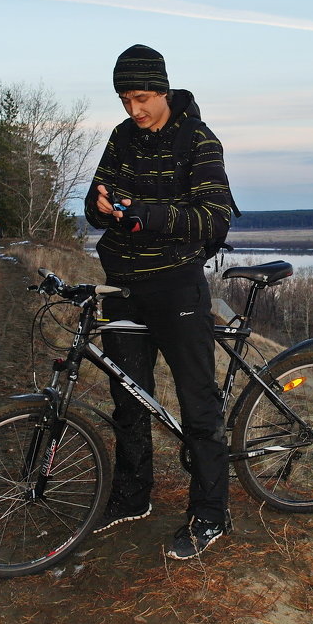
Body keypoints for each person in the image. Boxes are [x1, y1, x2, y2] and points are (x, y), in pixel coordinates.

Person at [84, 44, 234, 560]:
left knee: (198, 404)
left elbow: (214, 218)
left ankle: (211, 514)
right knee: (127, 398)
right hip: (123, 285)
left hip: (177, 287)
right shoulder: (122, 137)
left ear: (163, 90)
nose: (134, 110)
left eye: (142, 97)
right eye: (126, 99)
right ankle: (132, 496)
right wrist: (101, 206)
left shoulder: (198, 139)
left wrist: (144, 213)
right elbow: (96, 200)